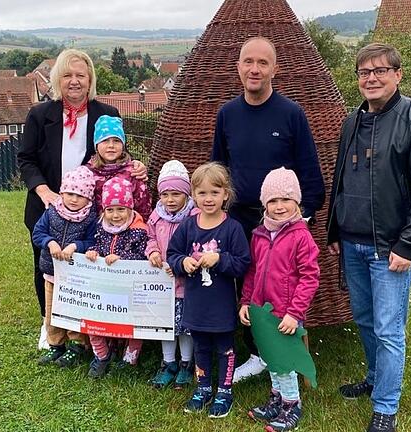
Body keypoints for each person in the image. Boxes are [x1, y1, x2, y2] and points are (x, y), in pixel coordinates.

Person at [326, 43, 411, 432]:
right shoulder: (352, 121)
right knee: (364, 319)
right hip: (353, 242)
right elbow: (342, 180)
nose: (371, 78)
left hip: (389, 248)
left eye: (380, 71)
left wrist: (407, 244)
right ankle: (376, 378)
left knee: (389, 328)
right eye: (364, 72)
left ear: (397, 74)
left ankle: (386, 408)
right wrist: (335, 230)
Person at [211, 36, 325, 383]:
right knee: (246, 289)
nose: (255, 69)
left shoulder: (292, 114)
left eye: (262, 63)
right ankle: (257, 353)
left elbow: (310, 174)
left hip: (281, 227)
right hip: (239, 220)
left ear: (275, 68)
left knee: (281, 290)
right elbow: (219, 169)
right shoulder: (227, 114)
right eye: (248, 62)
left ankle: (285, 356)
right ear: (238, 68)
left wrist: (298, 221)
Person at [18, 48, 146, 349]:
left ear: (90, 80)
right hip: (48, 206)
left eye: (81, 75)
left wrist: (138, 166)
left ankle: (91, 327)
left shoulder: (107, 115)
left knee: (90, 266)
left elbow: (117, 154)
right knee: (48, 265)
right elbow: (26, 160)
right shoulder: (39, 116)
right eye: (67, 75)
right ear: (56, 79)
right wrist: (44, 191)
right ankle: (49, 323)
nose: (74, 81)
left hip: (95, 211)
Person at [166, 162, 251, 419]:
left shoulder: (232, 228)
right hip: (196, 304)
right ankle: (202, 387)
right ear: (193, 195)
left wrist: (220, 259)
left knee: (225, 347)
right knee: (201, 346)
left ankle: (225, 390)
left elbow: (243, 263)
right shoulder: (188, 226)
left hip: (221, 304)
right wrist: (183, 262)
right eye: (202, 193)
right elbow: (172, 253)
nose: (208, 198)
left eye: (215, 192)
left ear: (226, 194)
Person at [239, 167, 320, 432]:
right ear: (264, 203)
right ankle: (276, 398)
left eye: (285, 199)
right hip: (262, 312)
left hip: (286, 314)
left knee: (284, 362)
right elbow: (252, 271)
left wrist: (295, 313)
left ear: (296, 201)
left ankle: (291, 404)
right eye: (272, 200)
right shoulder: (260, 234)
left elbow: (310, 278)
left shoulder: (301, 236)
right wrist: (245, 301)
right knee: (271, 358)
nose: (279, 206)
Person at [31, 166, 98, 367]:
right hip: (51, 273)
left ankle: (77, 345)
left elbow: (93, 242)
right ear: (62, 192)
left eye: (80, 195)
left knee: (73, 311)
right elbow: (38, 233)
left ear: (88, 198)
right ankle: (55, 344)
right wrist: (49, 242)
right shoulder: (51, 212)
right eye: (69, 193)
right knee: (52, 312)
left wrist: (76, 246)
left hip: (75, 278)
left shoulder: (91, 217)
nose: (73, 199)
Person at [84, 177, 149, 379]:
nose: (115, 215)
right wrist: (93, 252)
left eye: (121, 209)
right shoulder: (101, 228)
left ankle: (130, 359)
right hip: (105, 287)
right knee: (92, 320)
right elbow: (95, 244)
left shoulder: (139, 230)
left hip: (130, 289)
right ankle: (101, 355)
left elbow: (143, 255)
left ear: (130, 208)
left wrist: (122, 259)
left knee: (133, 325)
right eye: (110, 210)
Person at [145, 160, 196, 390]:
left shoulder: (193, 217)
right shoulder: (156, 217)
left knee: (185, 327)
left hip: (186, 284)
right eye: (165, 194)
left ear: (186, 193)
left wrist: (185, 262)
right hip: (162, 284)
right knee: (165, 326)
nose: (170, 200)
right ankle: (168, 363)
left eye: (176, 194)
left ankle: (186, 363)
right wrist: (153, 251)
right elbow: (150, 238)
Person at [87, 115, 151, 218]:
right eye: (105, 140)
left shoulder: (133, 173)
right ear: (96, 145)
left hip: (128, 230)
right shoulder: (88, 173)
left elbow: (143, 209)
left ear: (123, 145)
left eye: (116, 141)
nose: (111, 145)